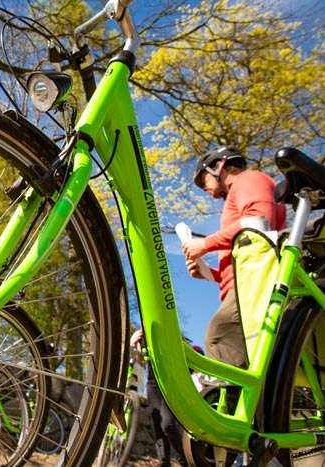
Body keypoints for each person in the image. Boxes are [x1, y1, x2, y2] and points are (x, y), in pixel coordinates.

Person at [182, 146, 286, 369]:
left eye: (203, 180)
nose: (204, 189)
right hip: (243, 285)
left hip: (250, 288)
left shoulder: (248, 179)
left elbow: (258, 222)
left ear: (218, 165)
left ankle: (233, 403)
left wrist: (205, 244)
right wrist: (212, 275)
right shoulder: (241, 189)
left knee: (220, 336)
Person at [131, 329, 189, 467]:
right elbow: (141, 363)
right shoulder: (142, 336)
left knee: (167, 424)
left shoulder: (167, 326)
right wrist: (133, 345)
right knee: (156, 423)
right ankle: (164, 463)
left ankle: (186, 460)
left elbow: (184, 352)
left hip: (172, 380)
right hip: (153, 383)